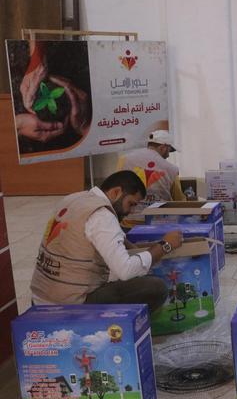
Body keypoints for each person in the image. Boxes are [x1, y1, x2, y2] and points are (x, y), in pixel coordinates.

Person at [30, 170, 183, 312]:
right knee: (155, 288)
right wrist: (165, 245)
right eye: (131, 204)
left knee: (125, 268)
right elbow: (125, 271)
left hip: (40, 299)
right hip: (70, 306)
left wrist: (136, 249)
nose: (130, 212)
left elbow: (97, 236)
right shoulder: (102, 215)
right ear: (116, 192)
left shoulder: (73, 199)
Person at [118, 129, 186, 224]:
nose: (168, 156)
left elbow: (116, 187)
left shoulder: (124, 159)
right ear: (163, 148)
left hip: (129, 221)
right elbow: (179, 200)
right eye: (169, 151)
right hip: (156, 223)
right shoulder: (172, 169)